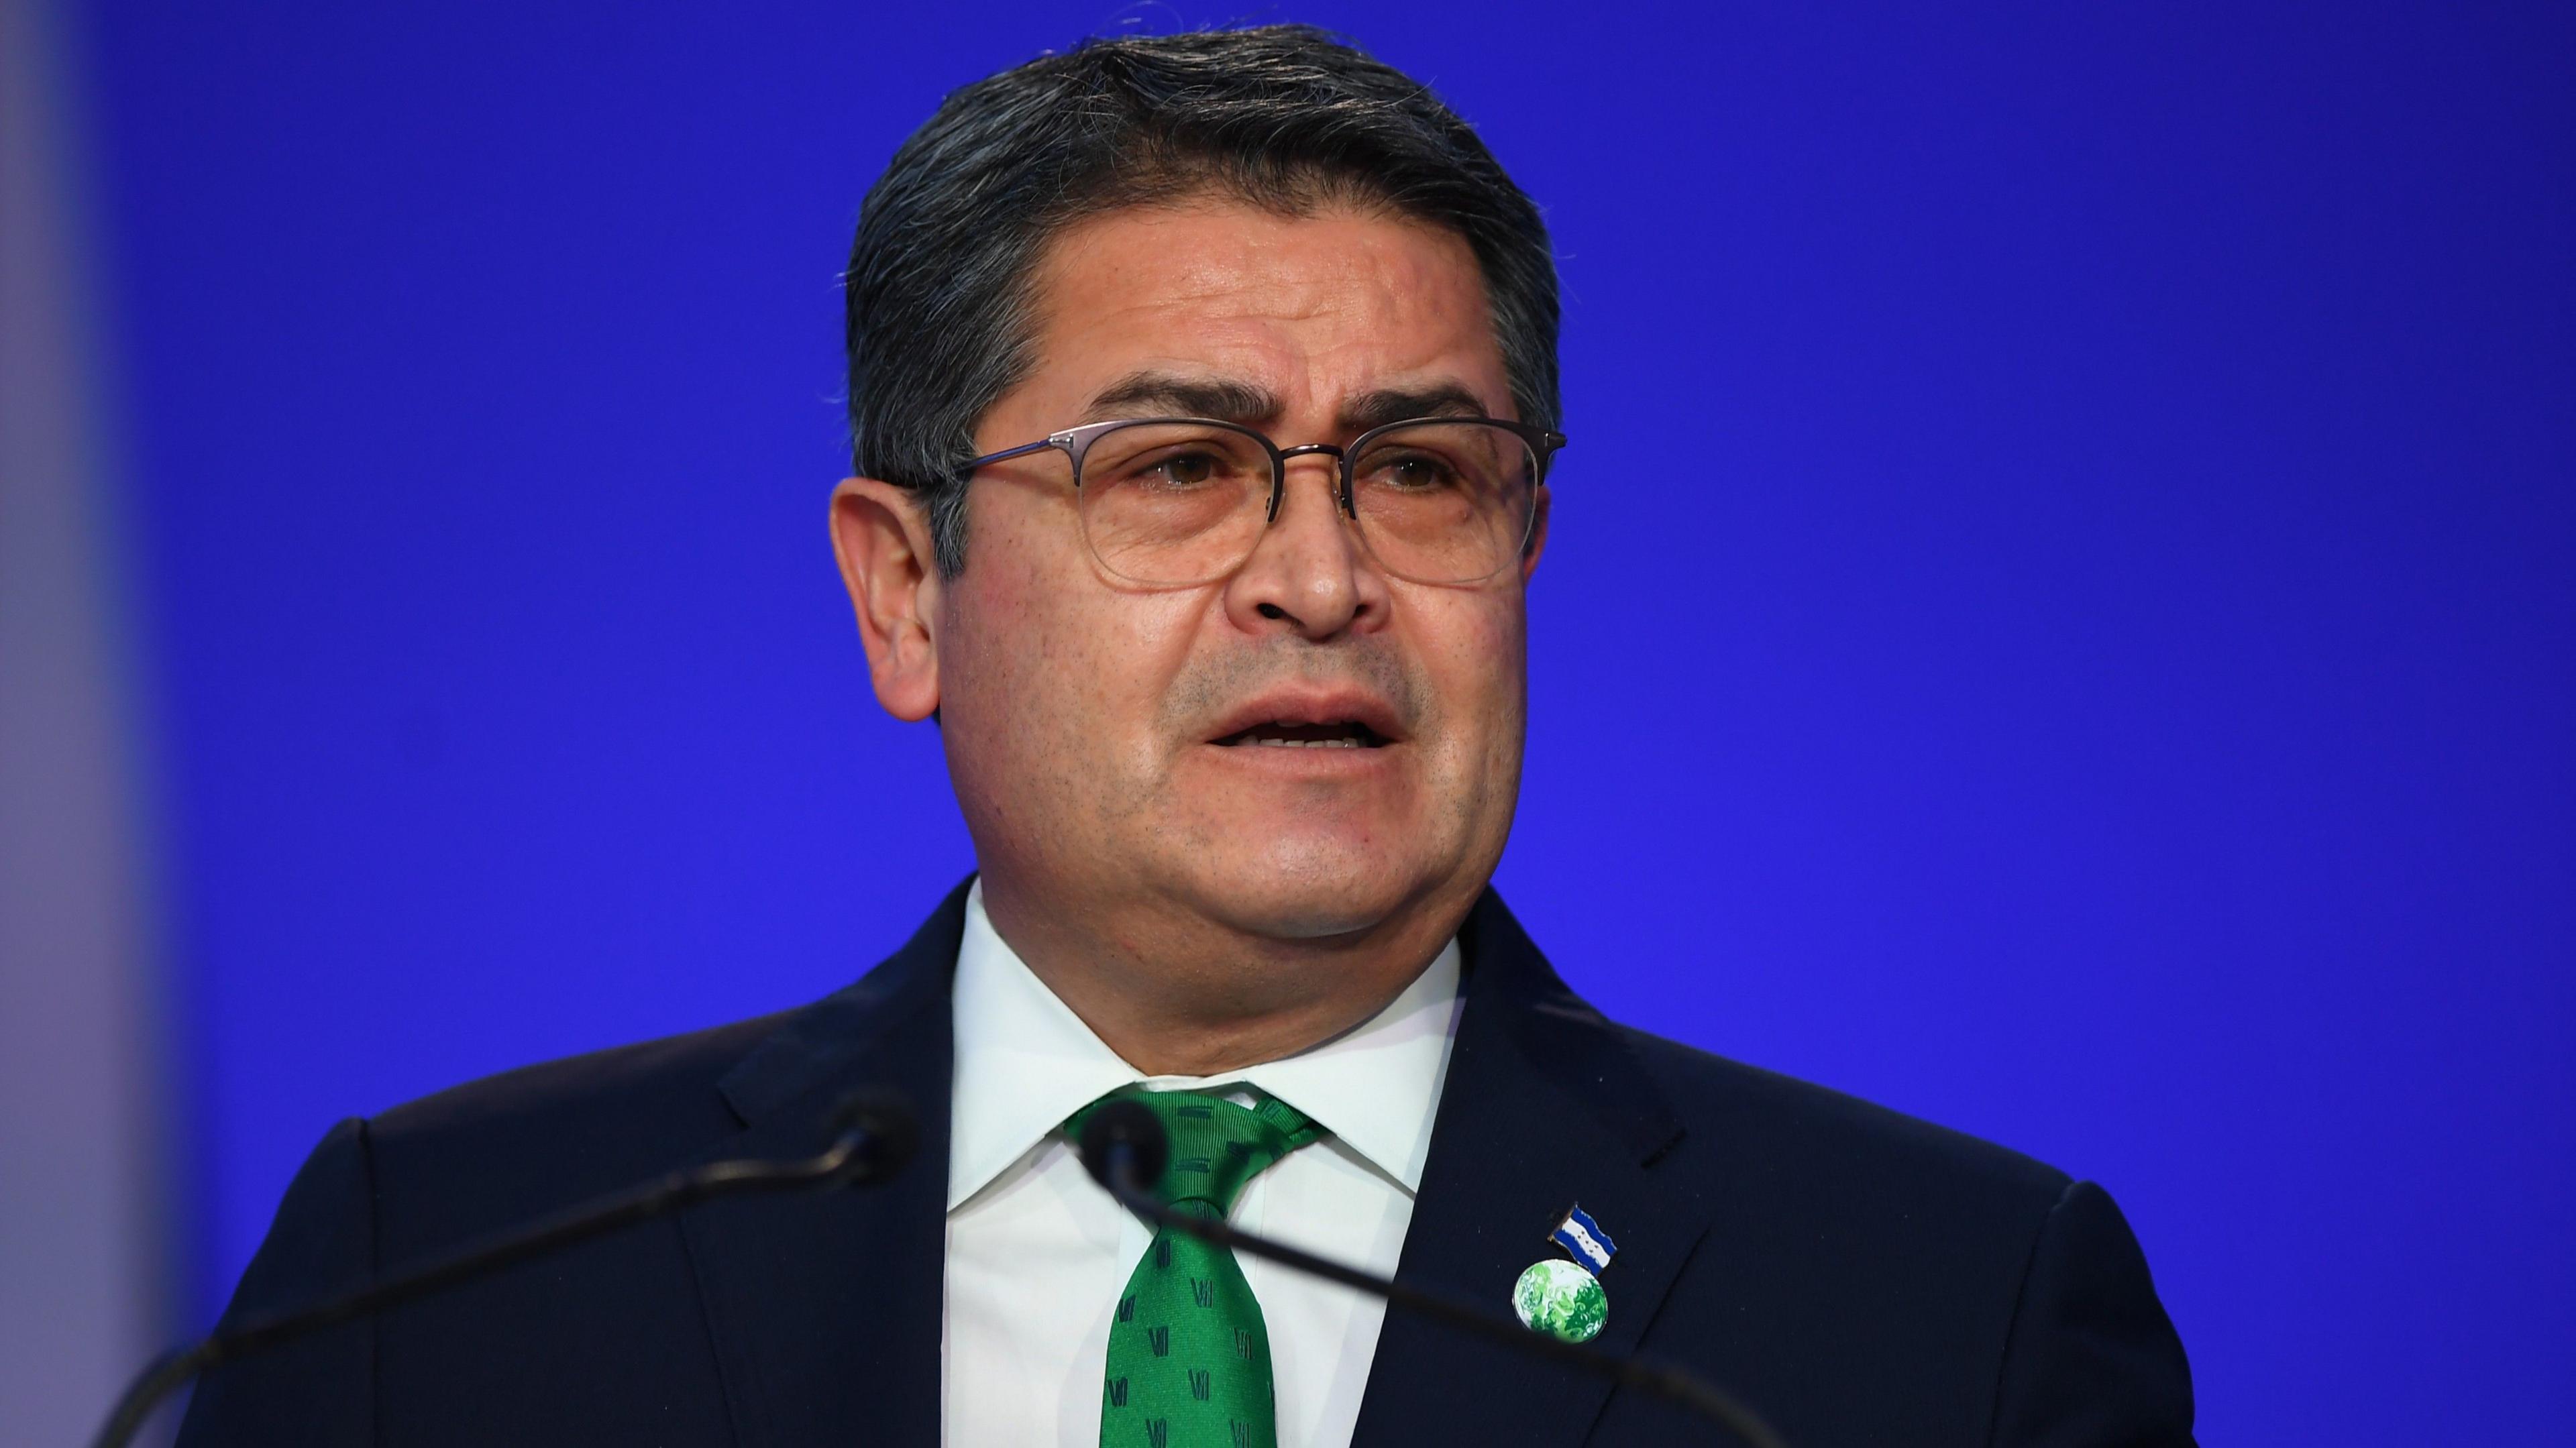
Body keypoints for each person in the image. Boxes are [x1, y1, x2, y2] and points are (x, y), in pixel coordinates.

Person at [178, 25, 2194, 1448]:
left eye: (1420, 470)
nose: (1319, 576)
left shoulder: (1945, 1319)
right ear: (906, 593)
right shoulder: (445, 1282)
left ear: (1526, 546)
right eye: (1180, 467)